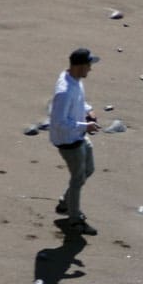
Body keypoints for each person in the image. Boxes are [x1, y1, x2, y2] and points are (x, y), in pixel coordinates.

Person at [50, 47, 101, 234]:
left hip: (78, 135)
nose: (90, 69)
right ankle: (74, 219)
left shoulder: (75, 80)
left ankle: (66, 202)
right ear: (80, 66)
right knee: (78, 177)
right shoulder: (64, 91)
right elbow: (59, 122)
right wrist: (85, 126)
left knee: (89, 169)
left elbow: (80, 101)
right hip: (68, 141)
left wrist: (89, 110)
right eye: (89, 65)